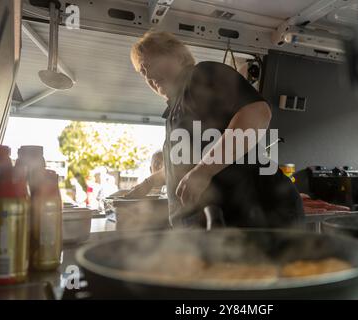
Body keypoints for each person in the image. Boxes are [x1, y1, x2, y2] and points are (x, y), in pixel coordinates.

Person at [129, 31, 304, 228]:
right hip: (214, 227)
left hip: (254, 218)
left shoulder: (201, 75)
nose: (148, 75)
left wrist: (205, 170)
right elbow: (184, 164)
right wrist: (150, 182)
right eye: (142, 72)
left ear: (177, 56)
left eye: (150, 64)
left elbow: (258, 112)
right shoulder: (174, 111)